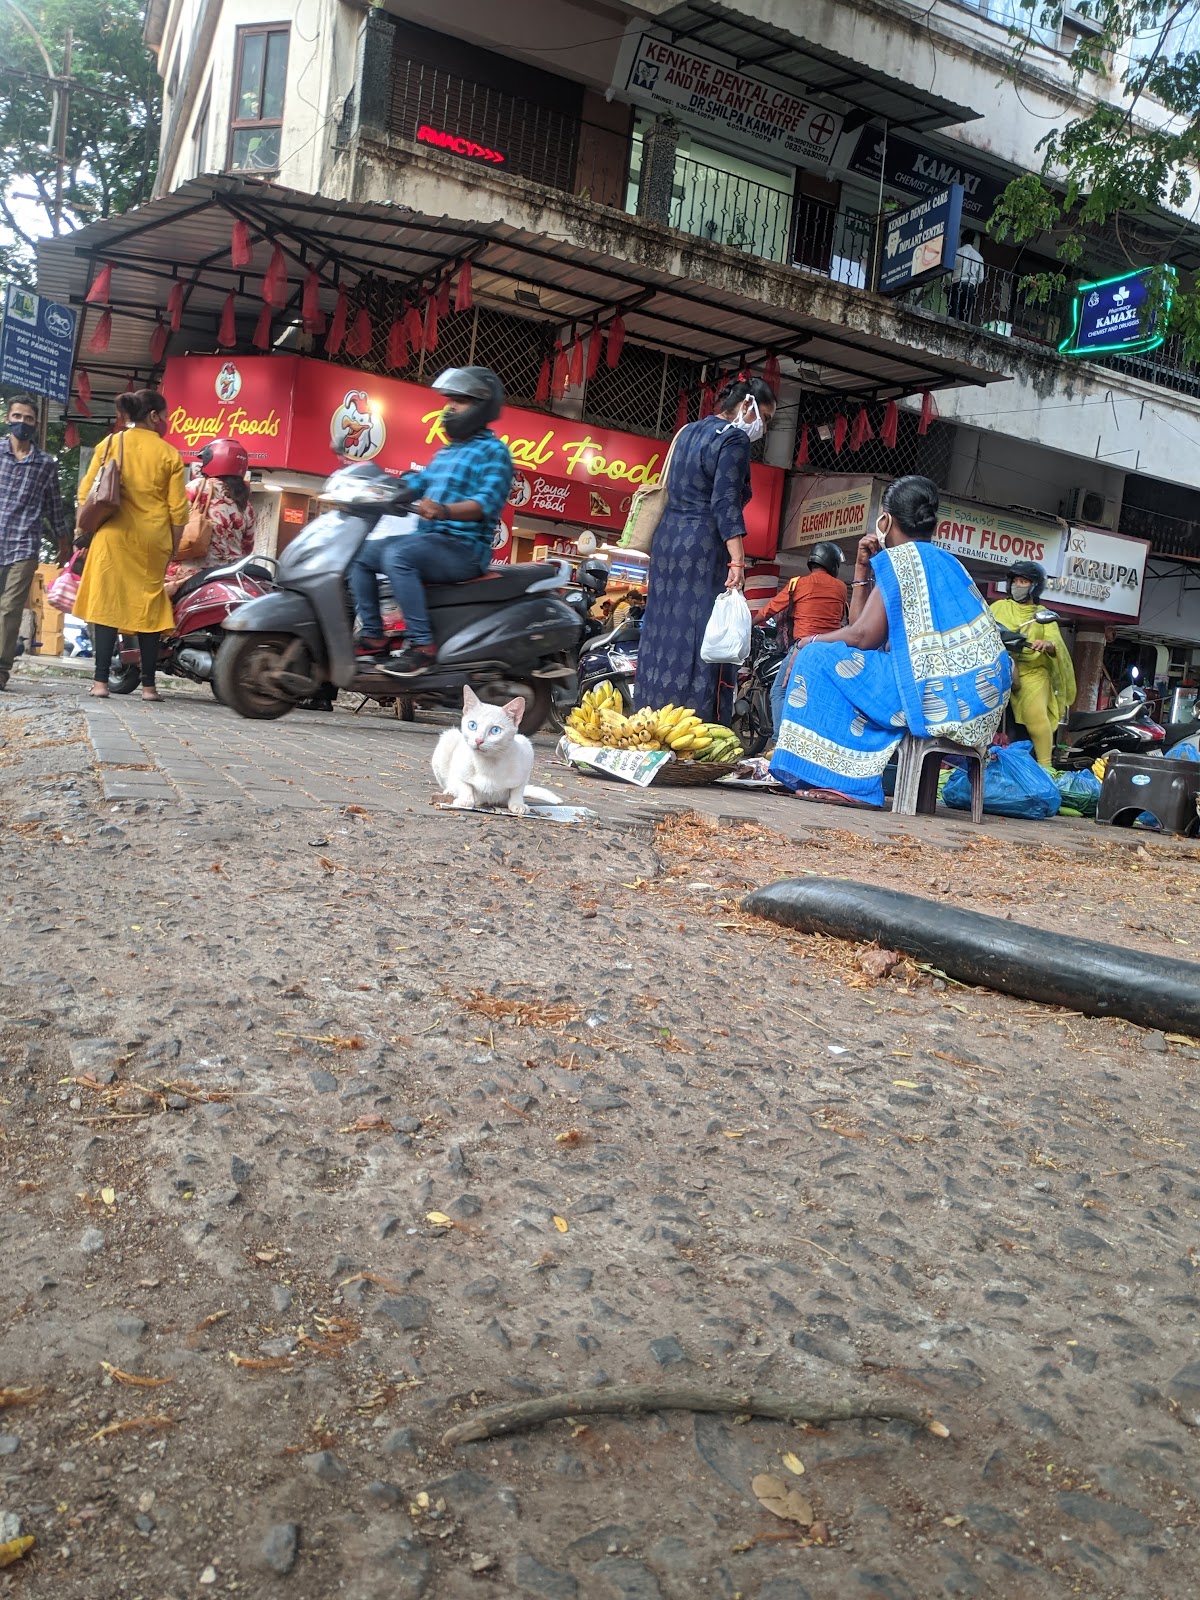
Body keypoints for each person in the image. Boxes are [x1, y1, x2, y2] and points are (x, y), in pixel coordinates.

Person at [770, 475, 1011, 807]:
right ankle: (851, 774)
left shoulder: (903, 561)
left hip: (933, 693)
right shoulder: (944, 561)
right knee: (840, 658)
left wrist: (808, 641)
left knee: (814, 657)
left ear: (885, 520)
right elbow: (862, 629)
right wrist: (862, 570)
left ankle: (847, 783)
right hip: (975, 699)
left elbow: (861, 636)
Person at [350, 367, 513, 677]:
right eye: (449, 401)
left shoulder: (495, 453)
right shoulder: (448, 451)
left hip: (463, 549)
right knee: (360, 556)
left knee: (398, 555)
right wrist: (395, 490)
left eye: (460, 402)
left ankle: (422, 646)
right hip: (431, 542)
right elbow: (421, 480)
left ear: (481, 406)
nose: (450, 408)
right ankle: (373, 636)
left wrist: (443, 510)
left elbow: (485, 504)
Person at [635, 377, 777, 719]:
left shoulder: (686, 432)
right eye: (766, 418)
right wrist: (738, 561)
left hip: (667, 542)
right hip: (702, 548)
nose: (763, 427)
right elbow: (725, 502)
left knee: (660, 633)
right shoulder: (734, 438)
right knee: (701, 638)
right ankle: (693, 722)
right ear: (747, 406)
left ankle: (650, 714)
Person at [76, 389, 187, 702]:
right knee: (149, 610)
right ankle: (149, 687)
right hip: (151, 541)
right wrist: (172, 548)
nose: (165, 423)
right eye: (164, 417)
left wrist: (81, 533)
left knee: (107, 608)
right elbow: (178, 511)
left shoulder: (109, 444)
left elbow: (86, 494)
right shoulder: (169, 455)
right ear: (153, 416)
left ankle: (100, 684)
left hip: (111, 538)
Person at [0, 393, 68, 690]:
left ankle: (1, 670)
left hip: (23, 544)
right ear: (8, 419)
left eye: (28, 418)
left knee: (10, 608)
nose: (22, 423)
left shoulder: (45, 464)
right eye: (17, 417)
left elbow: (54, 506)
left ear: (36, 422)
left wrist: (65, 544)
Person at [753, 540, 849, 742]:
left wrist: (746, 625)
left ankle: (780, 741)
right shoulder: (841, 587)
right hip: (831, 650)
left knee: (779, 692)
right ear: (832, 564)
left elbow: (768, 610)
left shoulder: (797, 583)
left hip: (803, 648)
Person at [990, 559, 1075, 767]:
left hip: (1033, 673)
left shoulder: (1042, 614)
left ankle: (1046, 767)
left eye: (1023, 581)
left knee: (1036, 717)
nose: (1017, 585)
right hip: (1001, 668)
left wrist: (1046, 644)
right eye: (1015, 581)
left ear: (1035, 587)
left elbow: (1057, 645)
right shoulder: (999, 607)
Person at [164, 437, 256, 594]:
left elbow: (171, 521)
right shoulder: (246, 506)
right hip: (228, 578)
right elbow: (247, 548)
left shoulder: (196, 488)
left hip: (188, 577)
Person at [949, 234, 985, 323]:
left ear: (962, 241)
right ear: (972, 242)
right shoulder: (979, 257)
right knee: (965, 311)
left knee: (953, 310)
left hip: (957, 283)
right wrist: (972, 280)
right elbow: (980, 278)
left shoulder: (957, 252)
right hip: (970, 286)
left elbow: (949, 269)